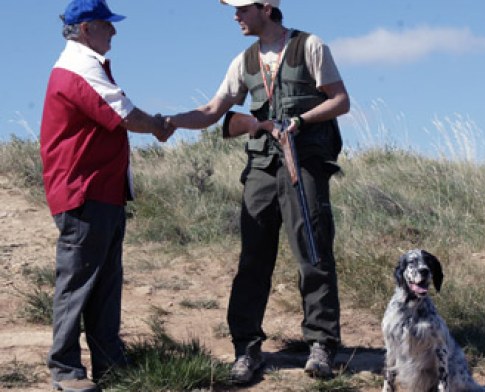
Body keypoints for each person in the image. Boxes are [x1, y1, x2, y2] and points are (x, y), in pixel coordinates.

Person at [167, 0, 350, 384]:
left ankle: (321, 344)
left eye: (242, 9)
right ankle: (246, 349)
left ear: (266, 8)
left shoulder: (310, 46)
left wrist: (299, 121)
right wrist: (169, 122)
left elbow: (340, 101)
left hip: (305, 166)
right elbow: (214, 109)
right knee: (252, 261)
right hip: (261, 169)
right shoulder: (244, 60)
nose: (236, 16)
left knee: (313, 253)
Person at [40, 1, 174, 391]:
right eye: (106, 26)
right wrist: (160, 126)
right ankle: (65, 370)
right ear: (85, 29)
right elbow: (125, 115)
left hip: (100, 193)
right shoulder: (79, 68)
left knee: (103, 283)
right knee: (79, 283)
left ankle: (109, 364)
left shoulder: (85, 65)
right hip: (84, 192)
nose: (113, 32)